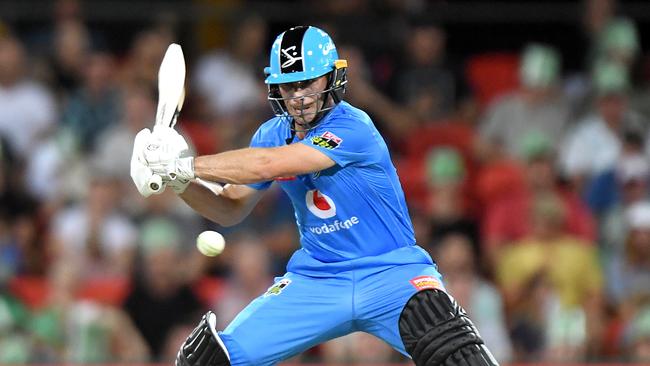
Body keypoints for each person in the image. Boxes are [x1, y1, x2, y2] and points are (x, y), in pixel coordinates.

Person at [130, 26, 498, 366]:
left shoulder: (355, 127)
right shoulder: (271, 133)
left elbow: (267, 165)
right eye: (290, 87)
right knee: (210, 361)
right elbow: (228, 209)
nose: (300, 96)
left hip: (392, 273)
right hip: (317, 280)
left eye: (308, 82)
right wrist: (178, 182)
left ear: (332, 78)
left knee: (461, 358)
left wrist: (185, 165)